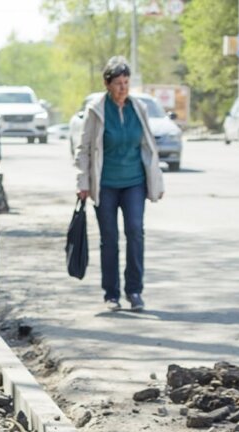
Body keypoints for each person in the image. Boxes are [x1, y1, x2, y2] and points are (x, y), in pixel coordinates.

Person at [75, 56, 164, 312]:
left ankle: (134, 291)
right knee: (109, 238)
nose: (123, 88)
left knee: (135, 232)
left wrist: (157, 179)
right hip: (105, 184)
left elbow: (149, 146)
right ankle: (111, 294)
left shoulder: (139, 108)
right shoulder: (96, 110)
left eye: (126, 82)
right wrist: (83, 182)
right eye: (118, 83)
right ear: (107, 84)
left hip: (134, 181)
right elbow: (84, 149)